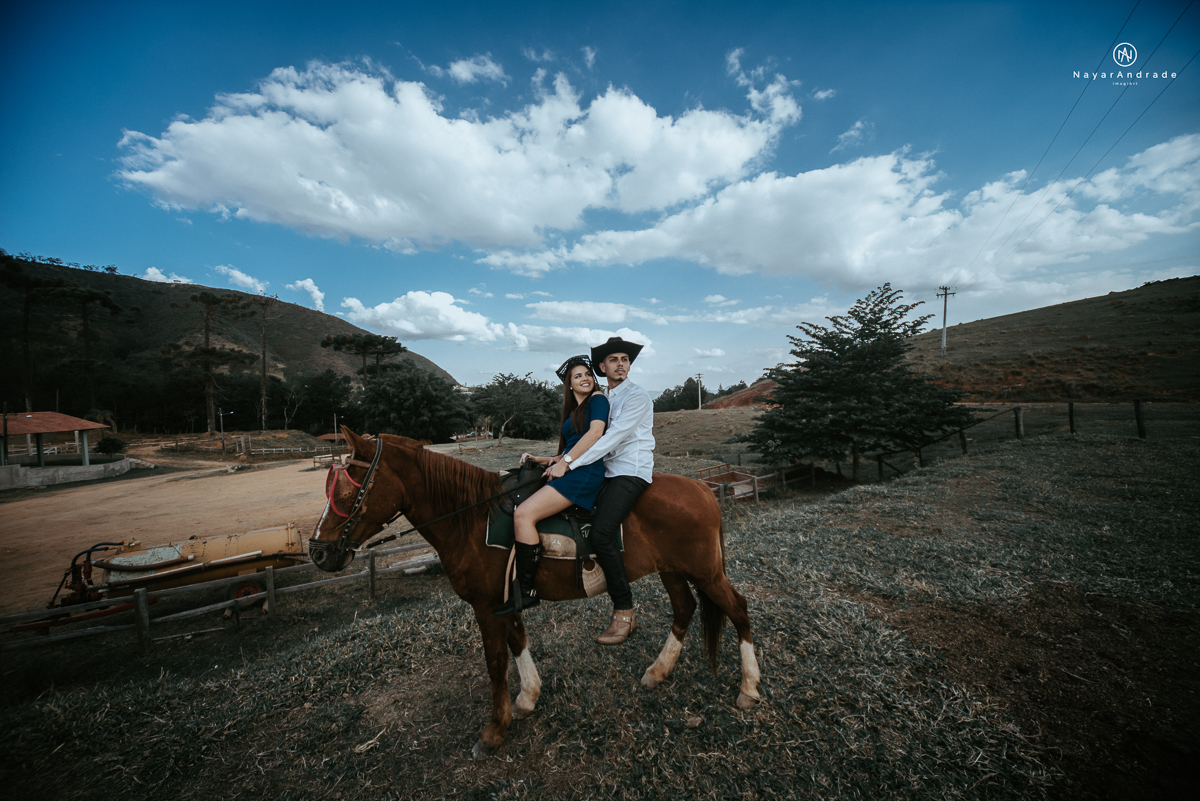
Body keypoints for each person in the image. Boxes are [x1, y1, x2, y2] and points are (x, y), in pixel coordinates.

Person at [545, 336, 653, 645]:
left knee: (601, 533)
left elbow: (610, 439)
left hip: (629, 470)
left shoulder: (637, 396)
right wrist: (557, 458)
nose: (621, 364)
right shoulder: (603, 397)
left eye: (625, 359)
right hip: (605, 471)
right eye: (614, 360)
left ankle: (624, 611)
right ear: (602, 367)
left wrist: (568, 463)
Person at [492, 356, 608, 617]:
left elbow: (595, 434)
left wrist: (565, 463)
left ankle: (526, 590)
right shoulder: (574, 411)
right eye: (577, 376)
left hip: (585, 472)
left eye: (587, 374)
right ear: (569, 385)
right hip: (573, 466)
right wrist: (544, 459)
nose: (585, 379)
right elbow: (570, 448)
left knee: (524, 514)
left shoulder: (597, 400)